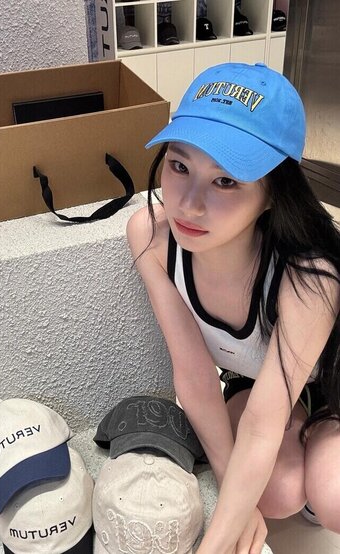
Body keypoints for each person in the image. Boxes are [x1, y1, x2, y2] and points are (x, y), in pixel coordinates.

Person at [126, 62, 340, 554]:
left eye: (226, 181)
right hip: (257, 381)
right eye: (180, 166)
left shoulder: (308, 275)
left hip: (330, 386)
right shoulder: (152, 238)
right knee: (275, 492)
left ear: (272, 194)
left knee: (331, 495)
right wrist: (232, 502)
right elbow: (194, 374)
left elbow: (266, 421)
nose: (189, 204)